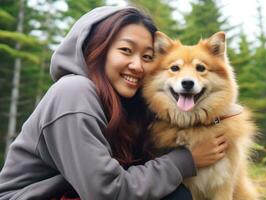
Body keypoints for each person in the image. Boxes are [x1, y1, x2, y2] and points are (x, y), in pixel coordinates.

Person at [0, 6, 229, 200]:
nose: (137, 65)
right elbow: (105, 192)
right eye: (126, 51)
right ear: (97, 49)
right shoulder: (73, 93)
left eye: (147, 57)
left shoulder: (129, 102)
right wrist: (184, 161)